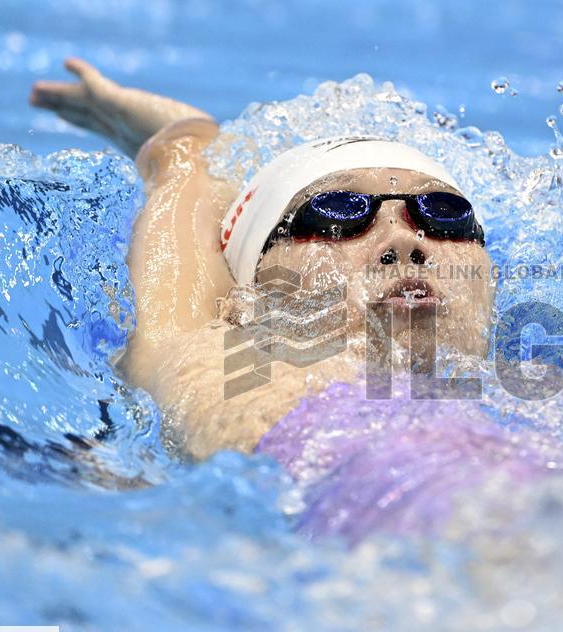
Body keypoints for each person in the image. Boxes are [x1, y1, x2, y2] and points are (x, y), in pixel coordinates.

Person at [30, 59, 496, 459]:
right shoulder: (225, 372)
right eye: (337, 215)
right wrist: (181, 143)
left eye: (444, 216)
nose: (402, 240)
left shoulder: (547, 389)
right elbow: (185, 192)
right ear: (245, 300)